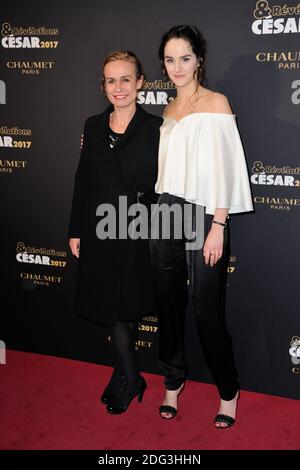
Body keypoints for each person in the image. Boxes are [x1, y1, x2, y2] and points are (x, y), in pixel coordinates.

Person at [151, 25, 253, 427]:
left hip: (203, 215)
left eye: (185, 58)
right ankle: (173, 383)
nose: (177, 67)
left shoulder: (216, 103)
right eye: (170, 59)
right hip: (164, 213)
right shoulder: (167, 110)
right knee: (168, 307)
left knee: (207, 311)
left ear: (199, 60)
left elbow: (226, 168)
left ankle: (228, 390)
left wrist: (218, 224)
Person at [68, 51, 163, 414]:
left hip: (136, 232)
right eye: (111, 80)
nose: (118, 87)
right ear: (103, 86)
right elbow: (83, 180)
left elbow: (165, 185)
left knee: (126, 308)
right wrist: (75, 228)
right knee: (110, 307)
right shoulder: (92, 126)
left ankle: (129, 375)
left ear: (140, 83)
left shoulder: (157, 127)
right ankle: (127, 372)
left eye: (126, 79)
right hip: (97, 230)